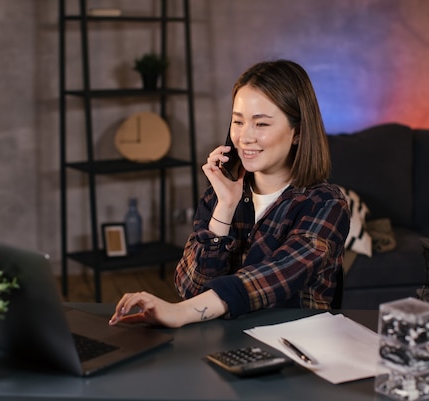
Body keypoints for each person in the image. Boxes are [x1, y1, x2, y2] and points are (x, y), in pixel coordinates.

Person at [109, 59, 350, 328]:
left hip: (297, 346)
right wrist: (224, 206)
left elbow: (276, 275)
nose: (244, 137)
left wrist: (182, 313)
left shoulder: (326, 203)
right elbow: (190, 288)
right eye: (238, 121)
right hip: (227, 342)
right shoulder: (220, 193)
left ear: (298, 132)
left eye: (261, 124)